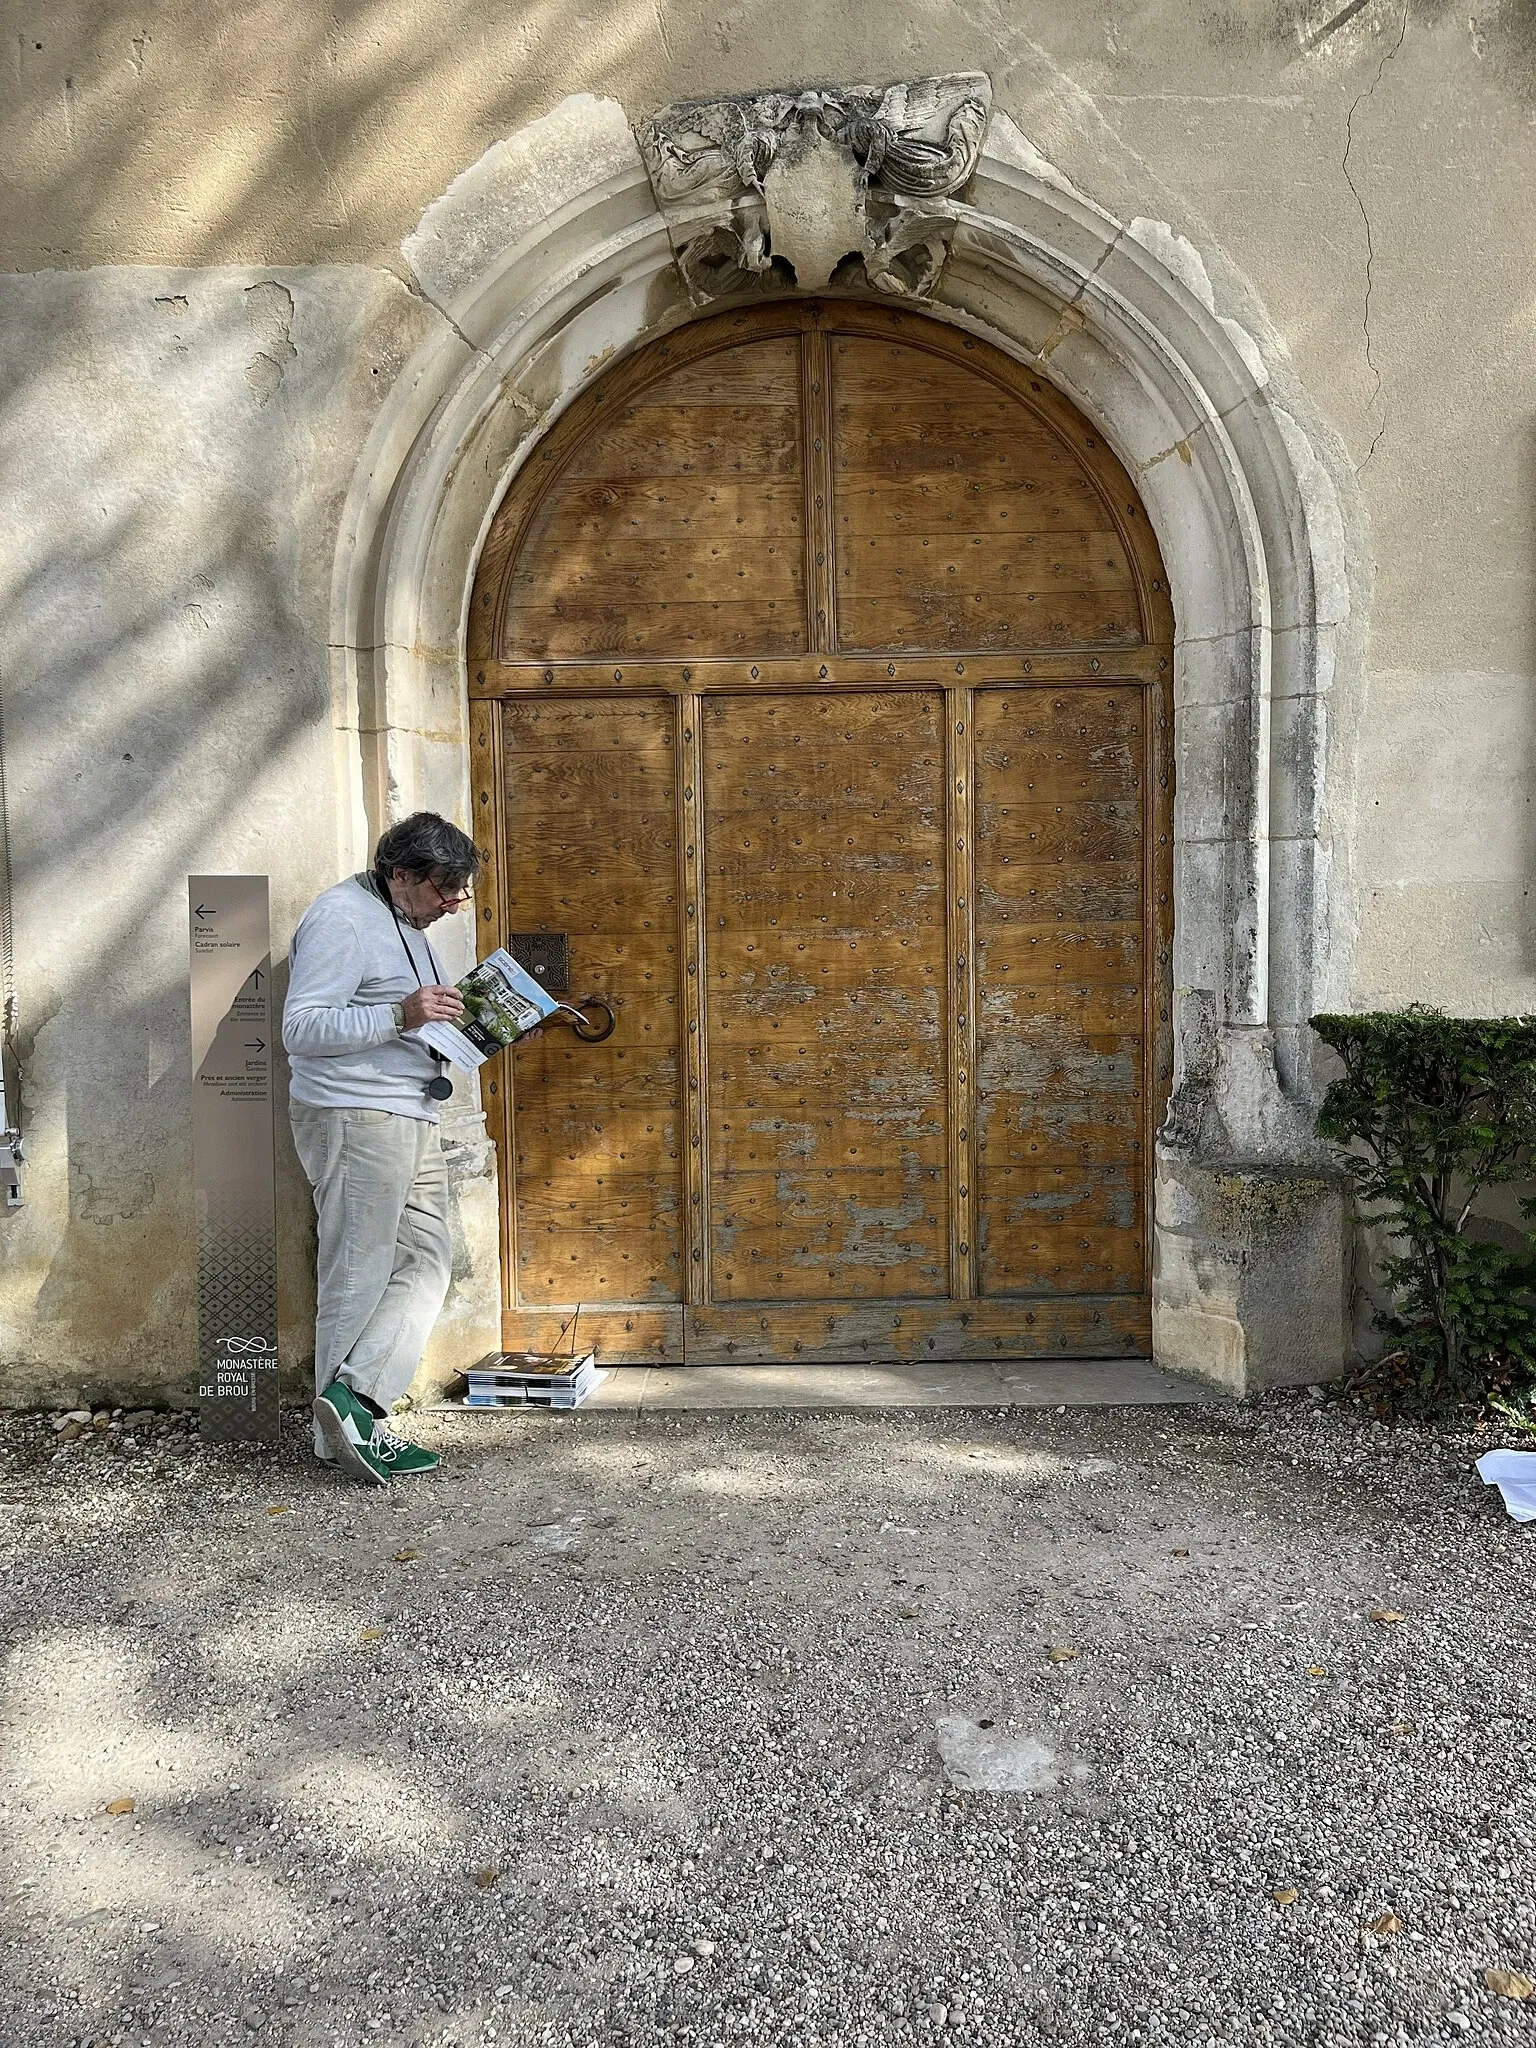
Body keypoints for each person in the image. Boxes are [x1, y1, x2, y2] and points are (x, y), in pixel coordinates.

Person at [283, 812, 478, 1485]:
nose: (454, 903)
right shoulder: (340, 918)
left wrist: (488, 1027)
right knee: (357, 1271)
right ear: (400, 874)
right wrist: (401, 1014)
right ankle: (332, 1436)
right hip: (357, 1115)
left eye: (461, 889)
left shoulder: (405, 921)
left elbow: (419, 1018)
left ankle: (355, 1402)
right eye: (444, 888)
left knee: (429, 1260)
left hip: (409, 1112)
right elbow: (303, 1029)